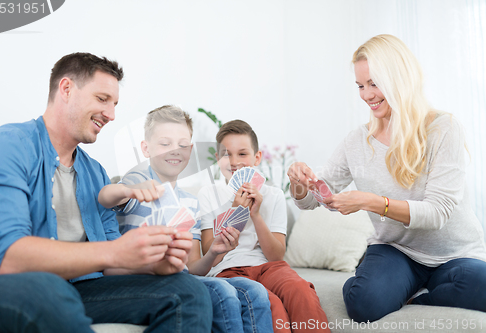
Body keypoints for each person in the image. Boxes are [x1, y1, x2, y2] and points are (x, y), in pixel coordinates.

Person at [0, 53, 211, 333]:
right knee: (47, 290)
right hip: (15, 288)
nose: (112, 114)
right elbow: (9, 258)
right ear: (66, 89)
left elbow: (112, 265)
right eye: (102, 99)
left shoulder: (95, 173)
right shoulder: (8, 146)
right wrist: (116, 251)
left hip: (81, 289)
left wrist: (152, 265)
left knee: (187, 291)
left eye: (115, 104)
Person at [287, 34, 486, 323]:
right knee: (364, 303)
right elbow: (315, 200)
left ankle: (417, 295)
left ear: (399, 79)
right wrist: (300, 184)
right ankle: (387, 279)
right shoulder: (357, 141)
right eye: (360, 85)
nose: (366, 95)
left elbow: (438, 212)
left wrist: (372, 202)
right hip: (396, 250)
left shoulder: (443, 129)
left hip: (455, 254)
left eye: (374, 83)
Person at [98, 105, 273, 333]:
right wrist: (130, 190)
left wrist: (214, 252)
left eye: (182, 145)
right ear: (146, 148)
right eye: (164, 143)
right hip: (143, 279)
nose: (174, 151)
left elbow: (193, 268)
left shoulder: (190, 203)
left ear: (190, 150)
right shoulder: (137, 181)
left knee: (255, 291)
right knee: (223, 292)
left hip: (180, 276)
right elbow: (105, 197)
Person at [198, 120, 330, 333]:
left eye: (242, 154)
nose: (234, 162)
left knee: (300, 290)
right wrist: (235, 213)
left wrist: (255, 214)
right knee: (271, 305)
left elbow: (276, 255)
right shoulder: (208, 194)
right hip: (228, 271)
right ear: (217, 158)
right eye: (226, 154)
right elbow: (208, 254)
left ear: (257, 158)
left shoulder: (274, 195)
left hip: (268, 266)